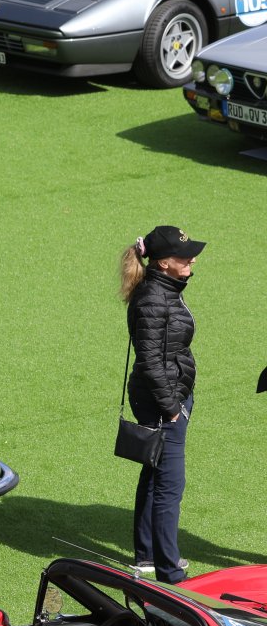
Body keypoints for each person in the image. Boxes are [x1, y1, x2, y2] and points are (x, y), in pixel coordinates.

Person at [120, 225, 205, 584]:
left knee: (154, 473)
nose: (192, 260)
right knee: (170, 485)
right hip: (162, 401)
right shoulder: (154, 299)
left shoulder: (163, 289)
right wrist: (172, 407)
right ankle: (170, 572)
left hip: (163, 396)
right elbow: (151, 361)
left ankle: (147, 556)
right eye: (184, 256)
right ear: (164, 262)